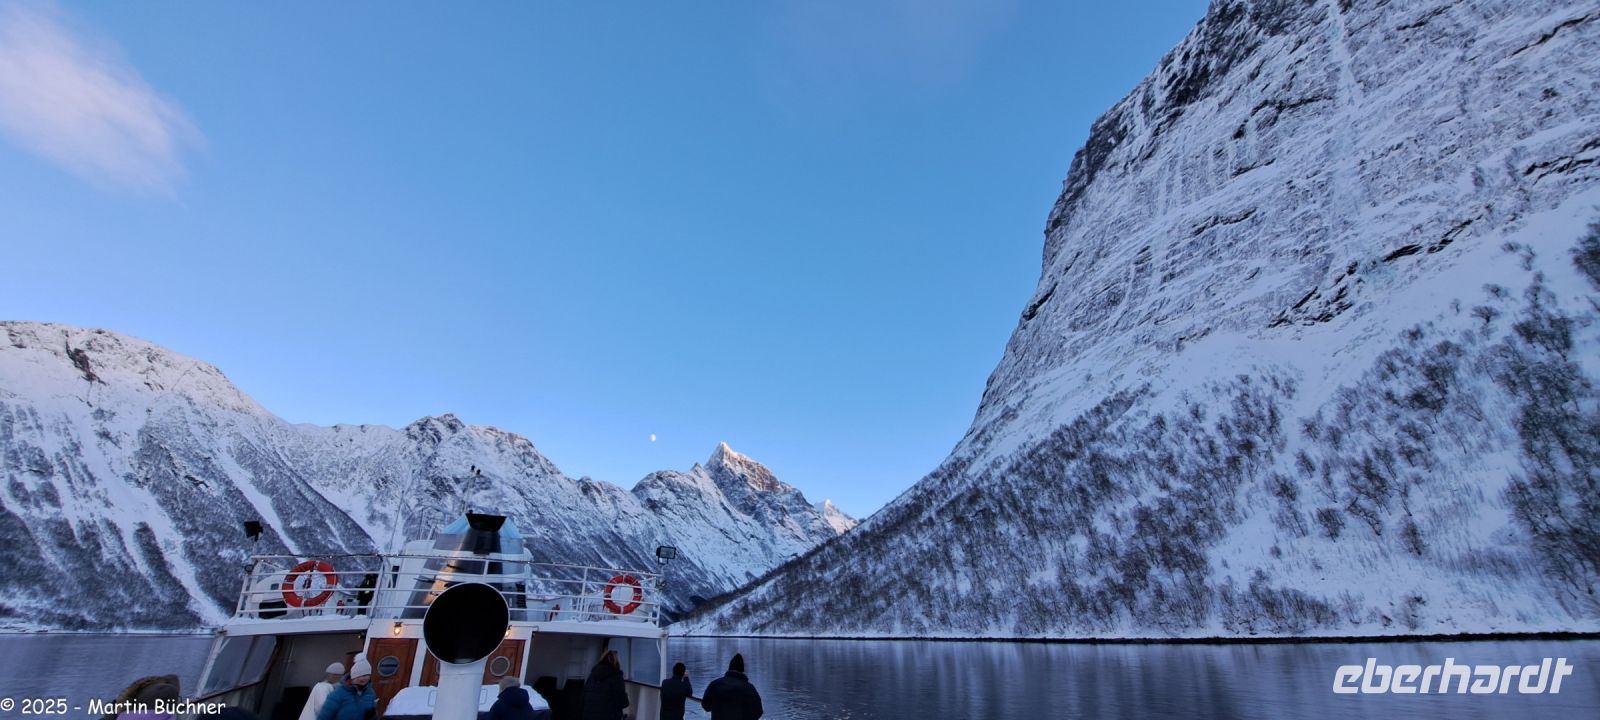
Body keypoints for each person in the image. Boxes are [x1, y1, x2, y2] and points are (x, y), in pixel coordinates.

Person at [700, 654, 761, 720]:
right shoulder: (749, 688)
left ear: (729, 668)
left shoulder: (715, 684)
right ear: (742, 670)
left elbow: (706, 706)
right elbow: (758, 711)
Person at [579, 650, 628, 720]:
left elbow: (582, 699)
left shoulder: (592, 676)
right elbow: (623, 703)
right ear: (616, 661)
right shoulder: (616, 677)